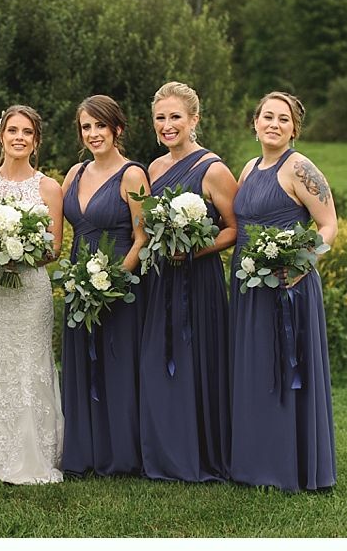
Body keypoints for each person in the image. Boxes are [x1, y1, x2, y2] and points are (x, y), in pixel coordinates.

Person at [228, 91, 337, 492]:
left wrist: (299, 263)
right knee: (254, 369)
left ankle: (287, 466)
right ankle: (253, 463)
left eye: (283, 119)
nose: (274, 124)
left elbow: (328, 225)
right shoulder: (249, 167)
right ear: (254, 123)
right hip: (246, 285)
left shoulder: (300, 168)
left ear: (295, 128)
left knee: (283, 368)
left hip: (287, 286)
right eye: (267, 117)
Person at [139, 81, 239, 482]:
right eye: (160, 118)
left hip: (200, 281)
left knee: (199, 363)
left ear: (194, 119)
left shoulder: (212, 169)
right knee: (158, 363)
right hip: (161, 281)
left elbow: (235, 229)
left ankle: (203, 456)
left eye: (175, 117)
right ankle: (166, 457)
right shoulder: (153, 169)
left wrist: (192, 251)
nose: (167, 125)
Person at [0, 105, 65, 484]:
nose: (19, 137)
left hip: (30, 290)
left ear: (36, 140)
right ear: (1, 136)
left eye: (27, 132)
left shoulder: (48, 188)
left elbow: (54, 248)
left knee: (30, 364)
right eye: (13, 130)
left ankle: (33, 455)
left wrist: (21, 251)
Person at [60, 95, 150, 476]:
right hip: (80, 283)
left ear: (118, 129)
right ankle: (85, 452)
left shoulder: (132, 175)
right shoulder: (74, 173)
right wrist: (82, 282)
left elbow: (143, 237)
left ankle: (122, 456)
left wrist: (112, 281)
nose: (93, 134)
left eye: (100, 126)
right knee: (82, 361)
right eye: (86, 127)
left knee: (116, 363)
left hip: (120, 285)